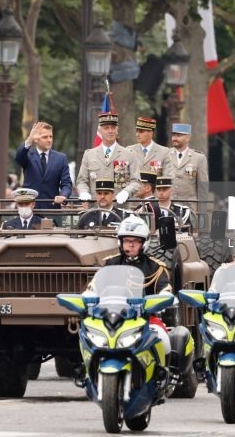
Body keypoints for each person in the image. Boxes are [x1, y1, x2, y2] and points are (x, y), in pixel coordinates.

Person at [101, 216, 171, 356]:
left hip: (146, 319)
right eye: (127, 240)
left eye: (136, 241)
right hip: (112, 319)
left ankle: (164, 374)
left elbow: (165, 288)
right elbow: (94, 287)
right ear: (120, 242)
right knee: (90, 336)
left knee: (163, 339)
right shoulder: (110, 264)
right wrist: (88, 296)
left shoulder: (155, 266)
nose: (131, 245)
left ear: (144, 243)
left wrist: (165, 296)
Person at [76, 112, 140, 205]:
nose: (110, 131)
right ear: (99, 130)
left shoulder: (129, 154)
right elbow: (82, 181)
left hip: (119, 207)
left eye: (113, 128)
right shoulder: (89, 154)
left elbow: (136, 181)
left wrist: (126, 192)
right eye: (106, 128)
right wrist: (84, 192)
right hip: (95, 207)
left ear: (117, 130)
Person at [14, 121, 72, 209]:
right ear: (36, 139)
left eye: (51, 136)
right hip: (30, 208)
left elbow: (66, 183)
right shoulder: (28, 155)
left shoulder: (61, 158)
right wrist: (30, 139)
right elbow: (18, 158)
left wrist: (63, 195)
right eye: (45, 137)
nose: (49, 140)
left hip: (52, 208)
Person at [163, 123, 208, 213]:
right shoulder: (165, 155)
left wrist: (201, 214)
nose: (174, 138)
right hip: (167, 207)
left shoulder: (198, 158)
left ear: (188, 138)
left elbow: (202, 189)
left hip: (189, 209)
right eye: (173, 135)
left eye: (179, 135)